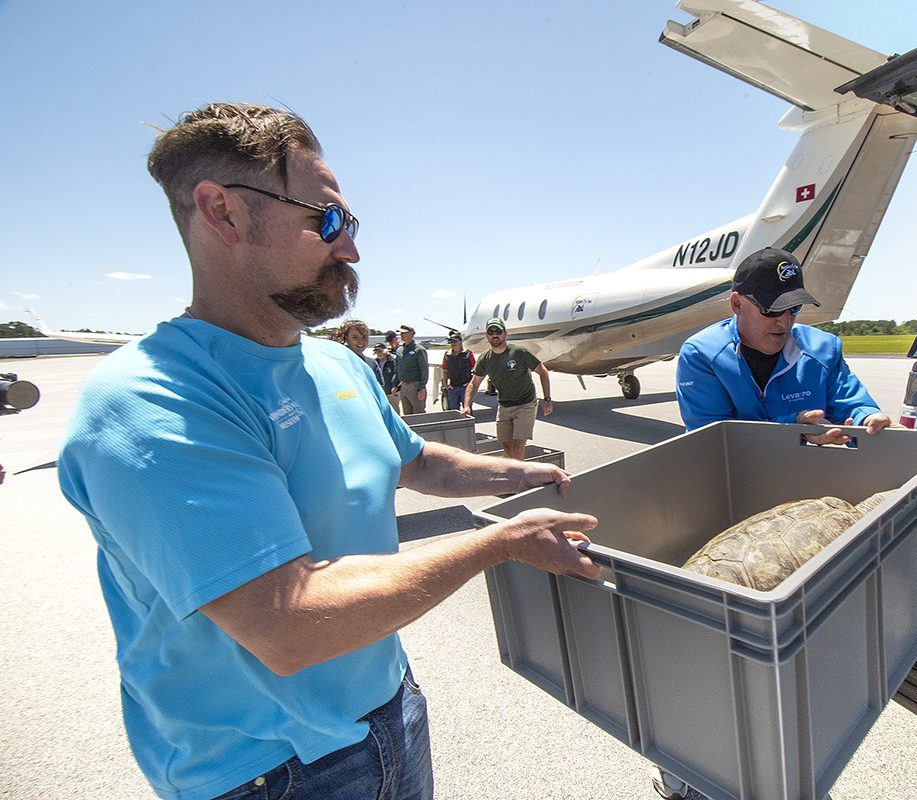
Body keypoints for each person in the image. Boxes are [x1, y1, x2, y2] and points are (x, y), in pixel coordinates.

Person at [55, 102, 599, 800]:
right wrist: (500, 545)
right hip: (265, 772)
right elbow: (289, 624)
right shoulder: (153, 402)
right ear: (222, 212)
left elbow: (415, 462)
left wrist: (518, 472)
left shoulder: (335, 366)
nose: (352, 249)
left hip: (389, 711)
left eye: (353, 224)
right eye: (327, 221)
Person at [676, 246, 891, 443]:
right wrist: (792, 430)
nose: (785, 321)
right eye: (772, 310)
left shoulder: (823, 348)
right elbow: (714, 441)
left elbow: (851, 406)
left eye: (794, 308)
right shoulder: (702, 354)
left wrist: (868, 421)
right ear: (737, 304)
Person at [461, 317, 553, 461]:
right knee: (506, 445)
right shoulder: (485, 359)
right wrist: (466, 406)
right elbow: (474, 384)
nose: (495, 335)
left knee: (518, 445)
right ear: (487, 336)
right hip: (504, 405)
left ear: (505, 333)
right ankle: (520, 470)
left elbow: (543, 371)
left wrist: (547, 399)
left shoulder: (519, 352)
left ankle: (520, 479)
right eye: (491, 332)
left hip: (526, 404)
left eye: (498, 331)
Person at [394, 324, 428, 415]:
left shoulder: (419, 350)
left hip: (415, 385)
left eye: (404, 333)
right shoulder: (399, 350)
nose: (401, 335)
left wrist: (422, 387)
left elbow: (424, 370)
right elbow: (397, 369)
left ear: (412, 334)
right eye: (401, 333)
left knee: (418, 413)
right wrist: (395, 385)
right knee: (407, 414)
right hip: (403, 385)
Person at [440, 331, 474, 411]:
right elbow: (444, 369)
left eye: (455, 341)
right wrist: (445, 384)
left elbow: (475, 368)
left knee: (467, 410)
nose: (453, 344)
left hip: (465, 387)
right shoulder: (447, 355)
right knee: (454, 411)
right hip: (452, 388)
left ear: (461, 342)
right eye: (451, 342)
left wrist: (470, 383)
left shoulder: (468, 354)